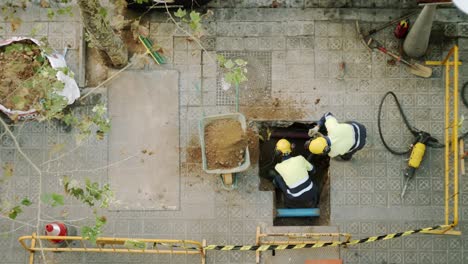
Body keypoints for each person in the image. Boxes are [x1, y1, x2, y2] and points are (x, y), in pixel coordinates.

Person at [270, 139, 319, 208]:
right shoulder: (300, 158)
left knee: (277, 178)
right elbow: (313, 170)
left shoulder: (278, 167)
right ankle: (312, 203)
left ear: (278, 152)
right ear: (291, 148)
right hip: (312, 191)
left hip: (295, 197)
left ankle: (282, 197)